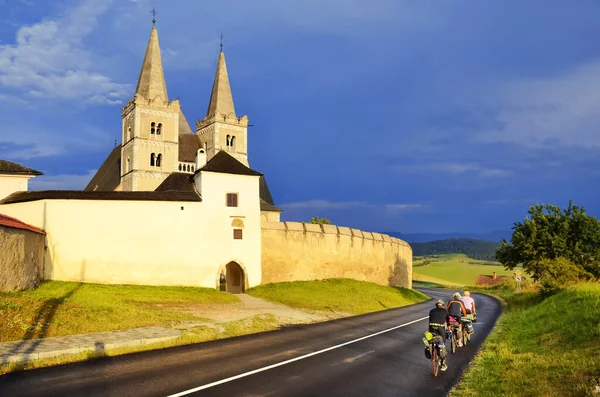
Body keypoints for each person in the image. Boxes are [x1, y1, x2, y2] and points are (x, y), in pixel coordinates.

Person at [428, 299, 449, 371]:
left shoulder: (431, 310)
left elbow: (430, 320)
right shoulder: (445, 311)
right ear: (442, 306)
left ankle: (431, 350)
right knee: (442, 343)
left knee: (431, 339)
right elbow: (448, 321)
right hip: (440, 327)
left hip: (431, 327)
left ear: (436, 305)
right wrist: (448, 328)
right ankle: (443, 363)